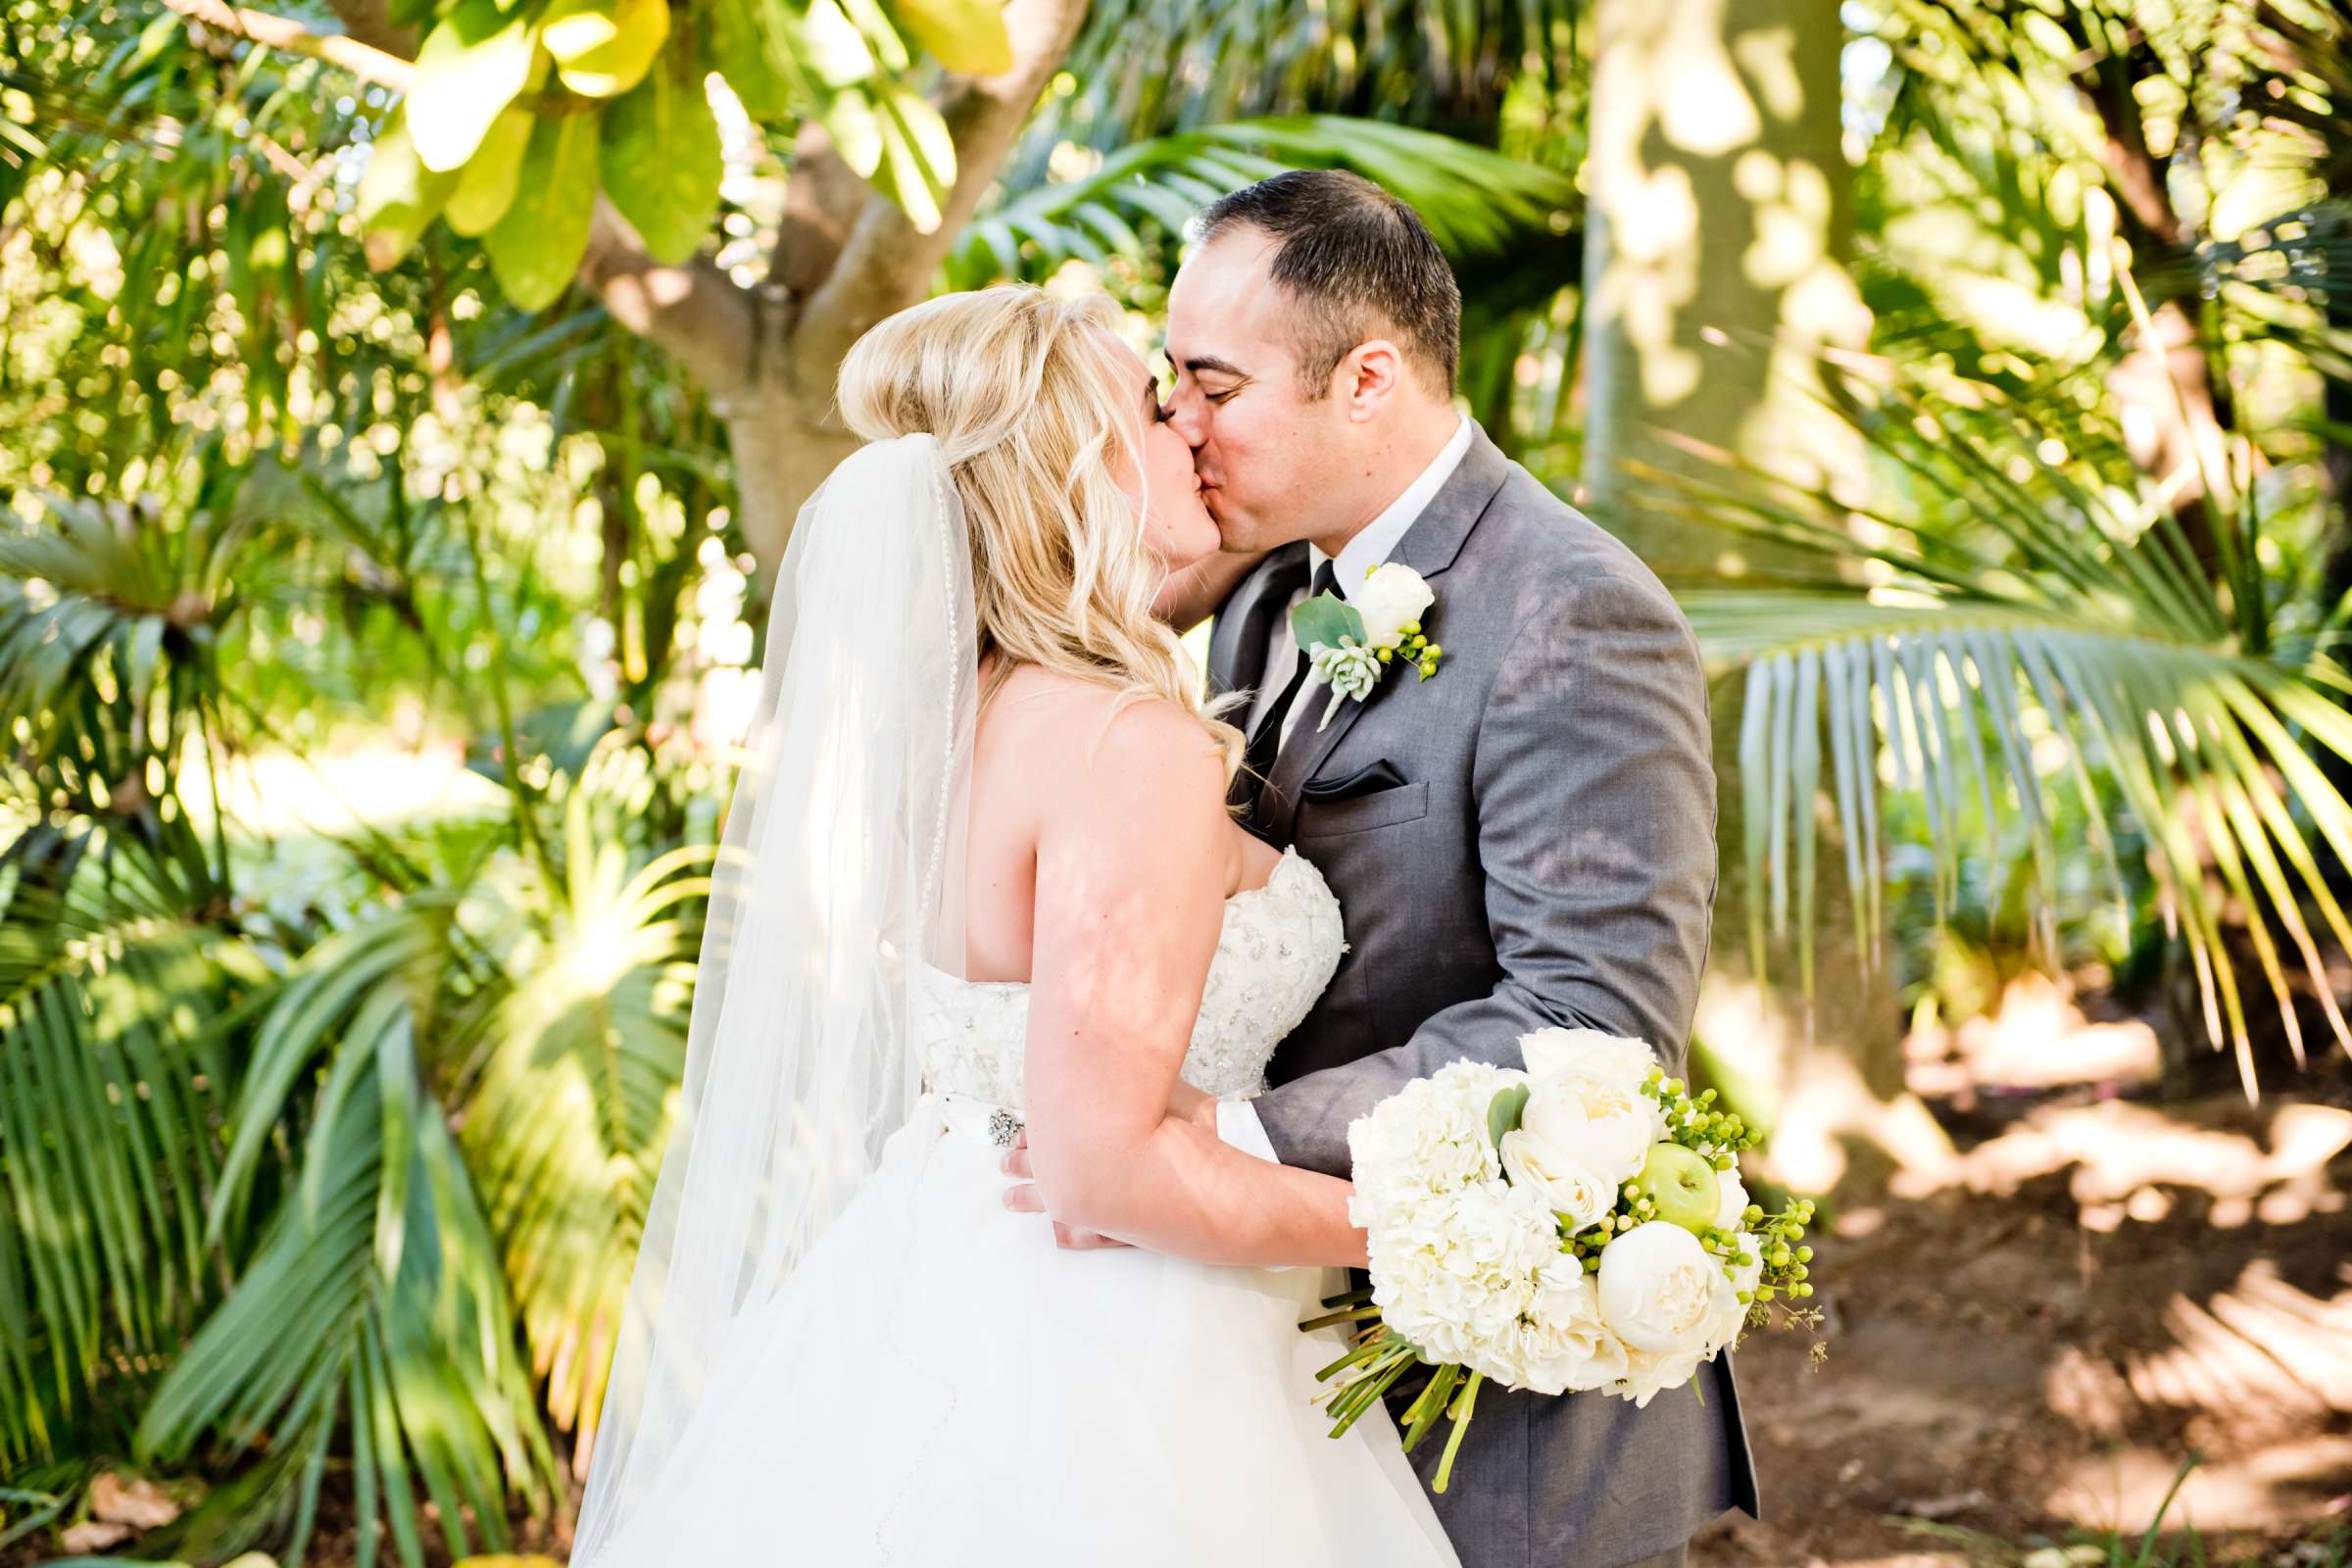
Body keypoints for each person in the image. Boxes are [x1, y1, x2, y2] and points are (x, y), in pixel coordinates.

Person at [568, 281, 1461, 1567]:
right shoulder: (1125, 745)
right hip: (1123, 1343)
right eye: (1158, 410)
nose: (1190, 435)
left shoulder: (954, 724)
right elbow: (1101, 1172)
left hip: (932, 1280)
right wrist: (1429, 1230)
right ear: (1075, 465)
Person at [1004, 170, 1760, 1568]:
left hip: (1510, 1432)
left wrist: (1217, 1141)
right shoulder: (1268, 604)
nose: (1179, 422)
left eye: (1213, 388)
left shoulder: (1575, 613)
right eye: (1172, 384)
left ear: (1366, 381)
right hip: (1281, 1389)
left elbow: (1588, 1027)